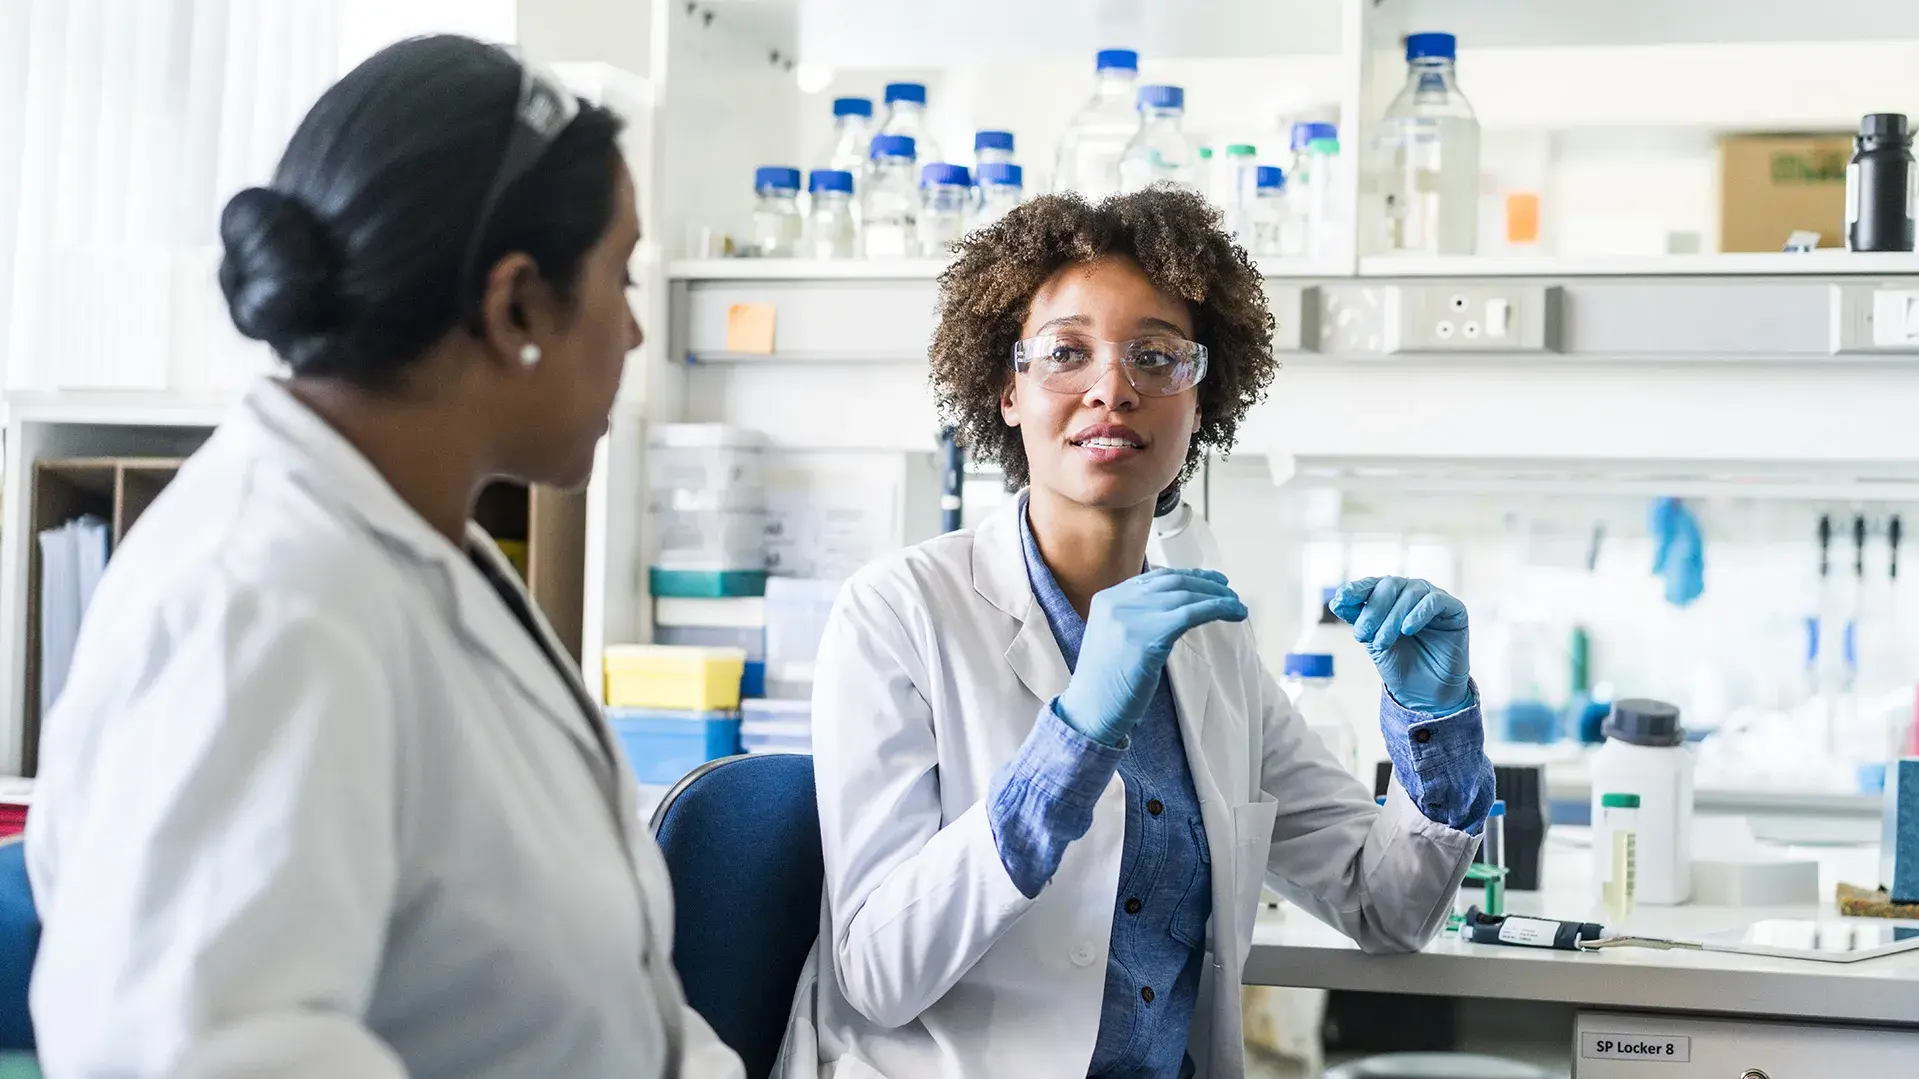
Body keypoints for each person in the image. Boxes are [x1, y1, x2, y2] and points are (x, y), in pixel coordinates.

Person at [25, 36, 742, 1079]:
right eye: (619, 275)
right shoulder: (260, 604)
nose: (634, 332)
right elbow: (203, 1052)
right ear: (515, 306)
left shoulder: (412, 543)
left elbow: (616, 1005)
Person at [778, 188, 1496, 1079]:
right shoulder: (897, 612)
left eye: (1155, 356)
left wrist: (1434, 720)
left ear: (1200, 400)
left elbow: (1386, 907)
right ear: (1006, 389)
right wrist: (1072, 737)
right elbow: (879, 972)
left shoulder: (1210, 644)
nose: (1112, 388)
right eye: (1065, 353)